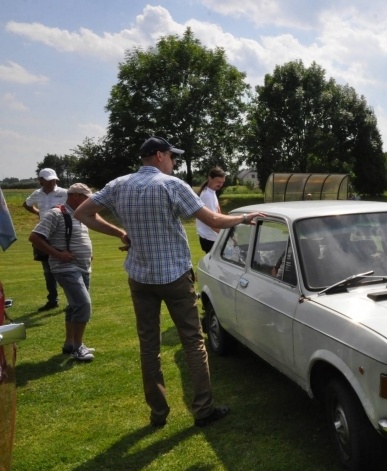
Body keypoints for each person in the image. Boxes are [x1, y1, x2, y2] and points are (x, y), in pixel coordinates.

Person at [74, 136, 261, 428]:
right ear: (160, 156)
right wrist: (245, 217)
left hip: (139, 276)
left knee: (149, 346)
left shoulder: (118, 184)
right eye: (172, 157)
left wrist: (121, 233)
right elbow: (214, 221)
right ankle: (203, 409)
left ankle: (158, 414)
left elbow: (82, 212)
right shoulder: (171, 185)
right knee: (193, 342)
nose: (174, 163)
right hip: (174, 276)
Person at [29, 183, 124, 361]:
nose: (90, 201)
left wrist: (118, 234)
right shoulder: (56, 213)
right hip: (65, 267)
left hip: (83, 266)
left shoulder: (82, 215)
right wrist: (58, 254)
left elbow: (90, 228)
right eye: (86, 197)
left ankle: (70, 343)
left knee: (74, 305)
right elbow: (34, 237)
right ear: (75, 197)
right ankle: (79, 347)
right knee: (83, 304)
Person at [24, 168, 68, 311]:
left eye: (54, 179)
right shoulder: (37, 194)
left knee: (66, 268)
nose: (52, 182)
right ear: (41, 180)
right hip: (44, 234)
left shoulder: (64, 193)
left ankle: (73, 300)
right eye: (48, 180)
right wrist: (39, 214)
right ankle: (53, 300)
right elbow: (27, 204)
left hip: (61, 234)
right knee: (48, 271)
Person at [196, 167, 226, 252]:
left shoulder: (210, 192)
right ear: (210, 178)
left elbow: (217, 214)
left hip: (209, 237)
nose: (220, 185)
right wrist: (225, 235)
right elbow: (213, 222)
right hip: (210, 238)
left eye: (222, 182)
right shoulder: (208, 195)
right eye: (218, 182)